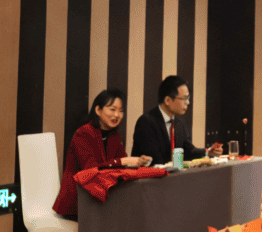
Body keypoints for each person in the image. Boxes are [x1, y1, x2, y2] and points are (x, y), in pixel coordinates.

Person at [53, 88, 149, 220]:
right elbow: (91, 171)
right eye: (112, 109)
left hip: (102, 200)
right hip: (79, 203)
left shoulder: (113, 135)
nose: (117, 115)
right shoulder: (83, 133)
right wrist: (123, 161)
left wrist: (138, 162)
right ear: (98, 110)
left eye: (121, 111)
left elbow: (120, 167)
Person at [131, 75, 222, 165]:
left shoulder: (179, 123)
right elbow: (153, 159)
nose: (188, 102)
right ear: (167, 100)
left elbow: (188, 151)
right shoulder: (146, 122)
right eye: (184, 98)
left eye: (188, 98)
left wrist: (208, 152)